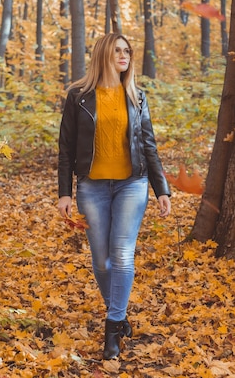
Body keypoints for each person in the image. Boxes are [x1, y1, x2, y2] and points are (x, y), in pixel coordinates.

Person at [57, 33, 171, 360]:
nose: (124, 55)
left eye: (127, 51)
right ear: (104, 54)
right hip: (91, 186)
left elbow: (148, 146)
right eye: (117, 50)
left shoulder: (136, 96)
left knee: (122, 254)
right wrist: (64, 192)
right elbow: (65, 148)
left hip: (131, 185)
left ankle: (113, 328)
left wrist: (161, 189)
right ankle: (118, 313)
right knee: (101, 260)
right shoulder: (78, 96)